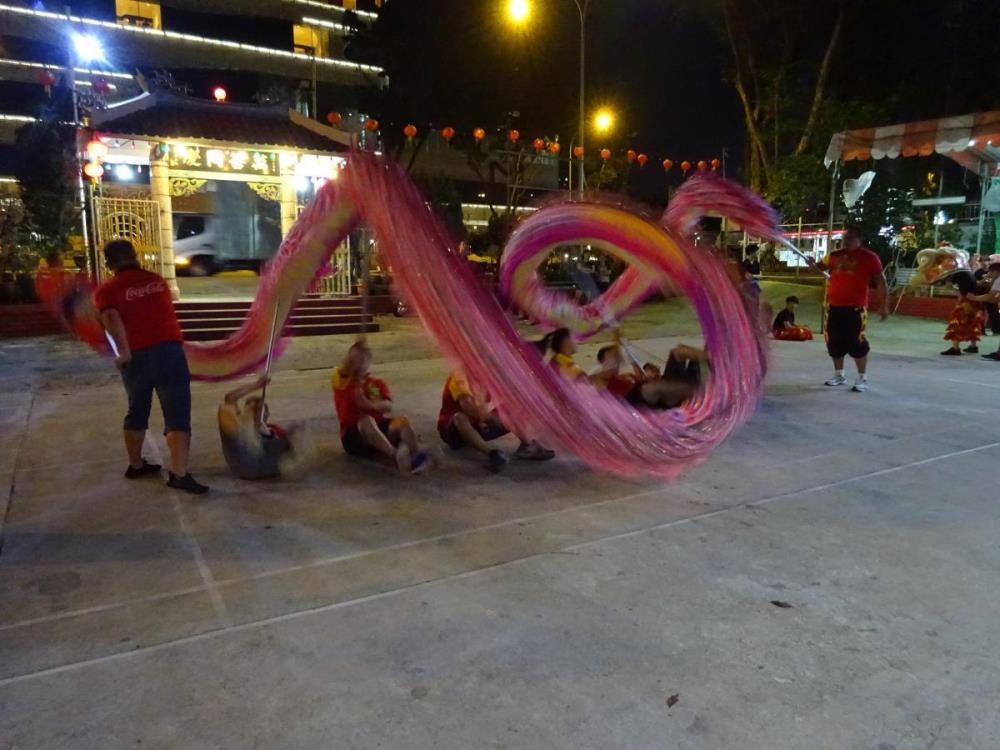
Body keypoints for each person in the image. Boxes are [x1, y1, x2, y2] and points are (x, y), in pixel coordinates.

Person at [94, 240, 208, 494]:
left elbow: (110, 317)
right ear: (135, 257)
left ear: (109, 263)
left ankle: (136, 465)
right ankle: (178, 473)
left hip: (135, 358)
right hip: (168, 351)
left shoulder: (108, 290)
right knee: (177, 411)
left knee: (137, 409)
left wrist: (122, 350)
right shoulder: (158, 282)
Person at [331, 341, 432, 473]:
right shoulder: (341, 380)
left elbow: (388, 405)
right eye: (354, 359)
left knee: (402, 421)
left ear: (368, 362)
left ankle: (417, 456)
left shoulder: (377, 383)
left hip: (379, 429)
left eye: (362, 359)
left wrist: (370, 404)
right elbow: (344, 371)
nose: (358, 363)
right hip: (354, 437)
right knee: (366, 421)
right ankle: (395, 455)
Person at [437, 370, 555, 472]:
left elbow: (484, 408)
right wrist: (492, 419)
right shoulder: (459, 376)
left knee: (511, 407)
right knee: (460, 417)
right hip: (453, 432)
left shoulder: (484, 377)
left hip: (476, 426)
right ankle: (491, 454)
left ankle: (527, 446)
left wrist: (485, 420)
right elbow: (468, 408)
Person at [818, 225, 889, 392]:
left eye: (851, 238)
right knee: (834, 343)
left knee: (857, 343)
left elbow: (881, 281)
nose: (847, 241)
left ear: (859, 239)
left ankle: (862, 378)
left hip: (856, 309)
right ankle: (839, 374)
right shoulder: (834, 256)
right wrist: (812, 263)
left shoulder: (869, 258)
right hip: (834, 307)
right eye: (845, 238)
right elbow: (819, 267)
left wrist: (883, 305)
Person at [218, 375, 301, 479]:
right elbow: (230, 398)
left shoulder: (241, 424)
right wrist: (257, 386)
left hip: (241, 466)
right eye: (260, 409)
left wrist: (257, 386)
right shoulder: (242, 424)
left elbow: (229, 398)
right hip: (255, 468)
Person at [940, 271, 985, 356]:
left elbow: (957, 291)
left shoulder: (957, 275)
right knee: (973, 323)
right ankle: (973, 346)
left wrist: (949, 285)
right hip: (975, 300)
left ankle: (955, 348)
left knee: (957, 322)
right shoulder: (967, 273)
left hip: (966, 301)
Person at [965, 262, 1000, 360]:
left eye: (990, 272)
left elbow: (990, 296)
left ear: (995, 271)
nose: (989, 274)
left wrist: (974, 298)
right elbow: (995, 298)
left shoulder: (999, 280)